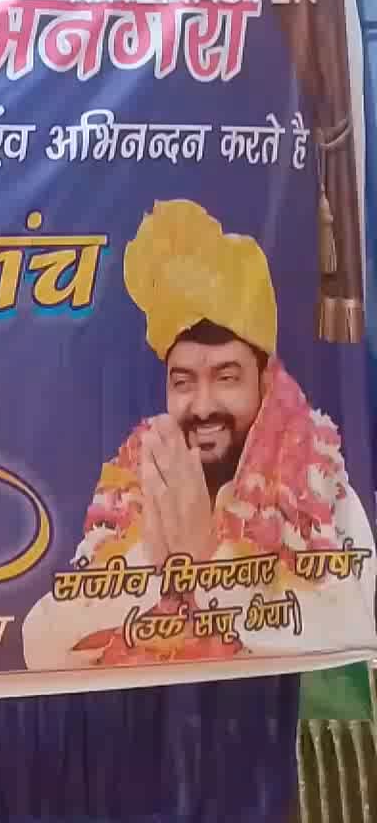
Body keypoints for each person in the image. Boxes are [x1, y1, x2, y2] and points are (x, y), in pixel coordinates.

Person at [22, 200, 376, 668]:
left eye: (226, 377)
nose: (203, 405)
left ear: (265, 383)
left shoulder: (321, 491)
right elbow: (42, 645)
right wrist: (151, 560)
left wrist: (208, 558)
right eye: (183, 381)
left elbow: (355, 636)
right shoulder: (141, 481)